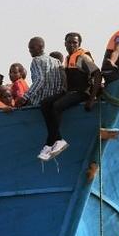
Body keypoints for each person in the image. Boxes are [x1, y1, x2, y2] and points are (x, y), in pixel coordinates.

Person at [35, 32, 101, 161]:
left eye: (74, 43)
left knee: (57, 106)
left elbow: (97, 74)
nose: (71, 45)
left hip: (82, 92)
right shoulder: (68, 58)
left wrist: (92, 99)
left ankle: (52, 142)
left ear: (79, 44)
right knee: (45, 104)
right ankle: (55, 140)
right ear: (65, 44)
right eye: (69, 42)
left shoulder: (82, 57)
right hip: (70, 92)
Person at [16, 37, 64, 108]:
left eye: (32, 48)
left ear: (41, 47)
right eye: (29, 48)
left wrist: (25, 97)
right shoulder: (56, 61)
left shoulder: (36, 60)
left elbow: (39, 79)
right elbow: (61, 81)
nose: (30, 50)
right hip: (53, 100)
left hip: (38, 101)